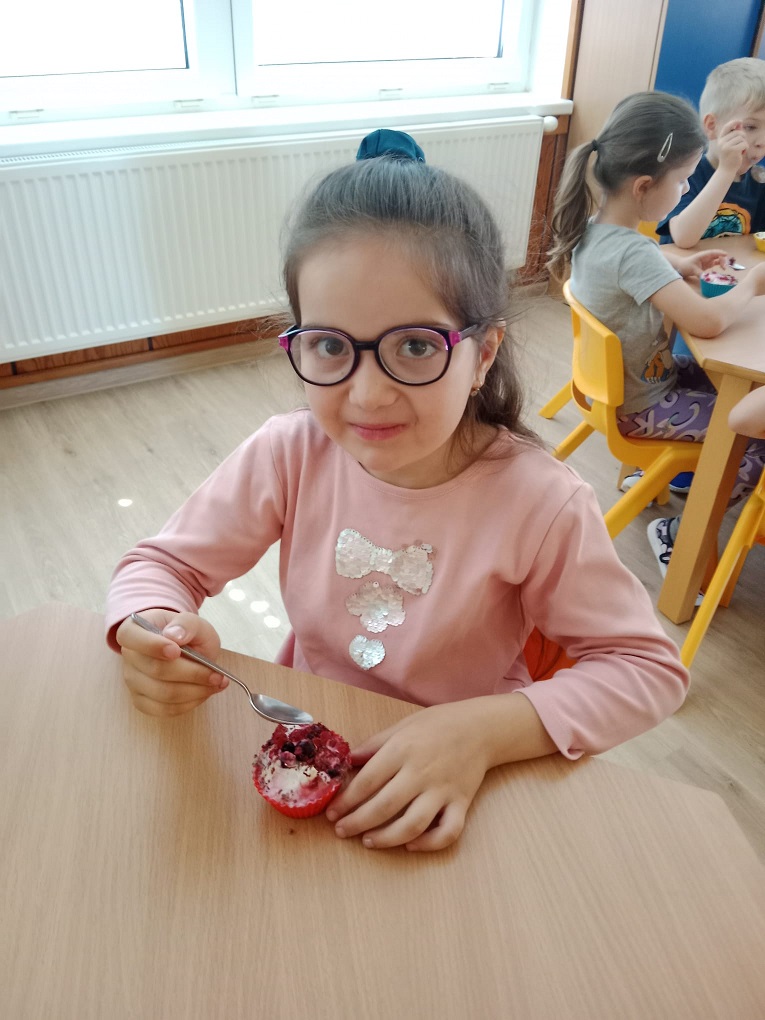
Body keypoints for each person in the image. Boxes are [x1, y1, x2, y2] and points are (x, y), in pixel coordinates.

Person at [107, 129, 689, 853]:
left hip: (465, 778)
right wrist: (151, 627)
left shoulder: (540, 504)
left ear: (482, 356)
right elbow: (160, 566)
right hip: (311, 735)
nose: (367, 394)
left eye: (414, 346)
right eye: (330, 346)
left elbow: (645, 671)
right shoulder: (290, 453)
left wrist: (482, 732)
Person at [547, 91, 765, 581]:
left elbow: (639, 259)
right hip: (643, 404)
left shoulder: (597, 229)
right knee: (753, 438)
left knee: (740, 391)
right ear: (644, 186)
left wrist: (679, 263)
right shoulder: (634, 254)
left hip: (623, 389)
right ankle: (679, 535)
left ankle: (679, 481)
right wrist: (752, 284)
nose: (687, 189)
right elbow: (707, 322)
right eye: (684, 179)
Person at [656, 58, 765, 248]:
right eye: (750, 127)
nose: (761, 142)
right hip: (679, 267)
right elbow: (683, 237)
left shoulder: (758, 181)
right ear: (712, 126)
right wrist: (726, 171)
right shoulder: (685, 174)